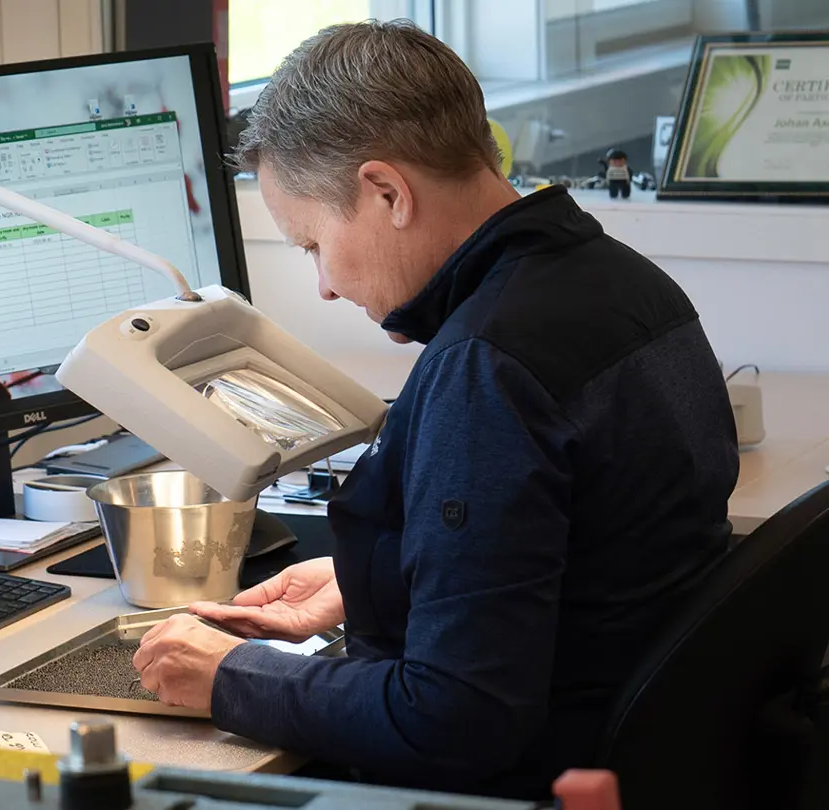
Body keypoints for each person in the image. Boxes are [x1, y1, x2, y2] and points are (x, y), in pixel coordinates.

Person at [130, 20, 738, 800]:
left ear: (388, 193)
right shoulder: (624, 283)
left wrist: (230, 675)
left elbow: (454, 719)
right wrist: (386, 576)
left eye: (313, 244)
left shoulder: (488, 367)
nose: (324, 285)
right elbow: (597, 559)